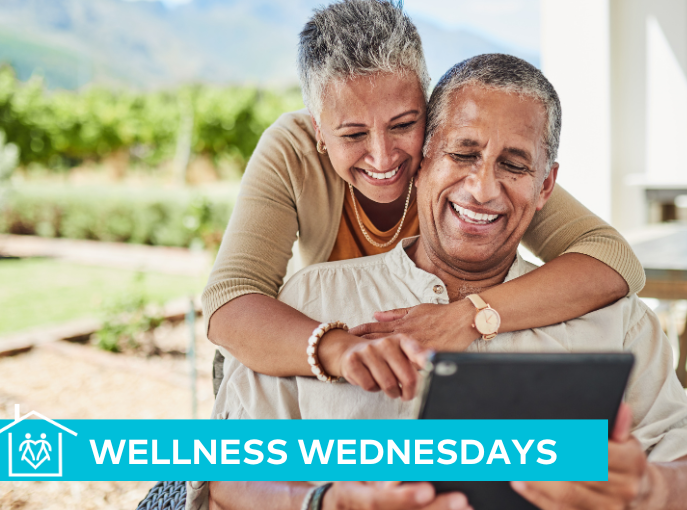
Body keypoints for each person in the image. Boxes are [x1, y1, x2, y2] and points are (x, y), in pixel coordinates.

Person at [188, 53, 687, 510]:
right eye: (463, 153)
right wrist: (329, 500)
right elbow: (224, 476)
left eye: (514, 165)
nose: (483, 189)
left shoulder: (615, 318)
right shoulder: (310, 301)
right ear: (423, 160)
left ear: (545, 185)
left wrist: (653, 490)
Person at [202, 0, 646, 397]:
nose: (383, 156)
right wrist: (338, 349)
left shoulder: (462, 155)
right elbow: (229, 299)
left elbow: (611, 259)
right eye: (353, 134)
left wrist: (471, 316)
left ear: (430, 108)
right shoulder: (292, 151)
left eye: (403, 124)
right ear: (320, 130)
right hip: (305, 360)